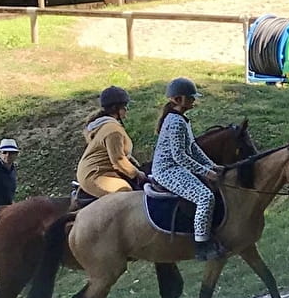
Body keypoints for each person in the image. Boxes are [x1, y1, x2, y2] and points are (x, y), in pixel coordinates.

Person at [150, 78, 226, 260]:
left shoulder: (182, 119)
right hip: (167, 169)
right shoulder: (175, 122)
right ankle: (201, 245)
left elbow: (193, 148)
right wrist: (206, 172)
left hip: (176, 165)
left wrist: (211, 165)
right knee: (204, 197)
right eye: (190, 97)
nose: (193, 100)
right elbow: (180, 156)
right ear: (177, 99)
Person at [77, 86, 144, 200]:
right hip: (97, 175)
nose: (126, 110)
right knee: (126, 193)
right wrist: (137, 173)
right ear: (115, 108)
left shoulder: (107, 125)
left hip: (100, 171)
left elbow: (122, 155)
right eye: (124, 107)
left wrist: (137, 167)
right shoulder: (113, 131)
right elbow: (118, 160)